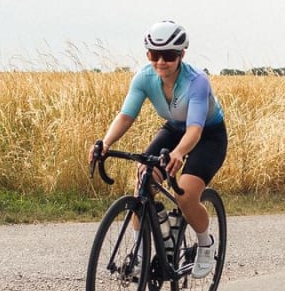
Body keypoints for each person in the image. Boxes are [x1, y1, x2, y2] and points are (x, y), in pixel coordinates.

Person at [91, 21, 227, 277]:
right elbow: (125, 116)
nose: (161, 62)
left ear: (182, 55)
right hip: (175, 128)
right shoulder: (144, 77)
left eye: (169, 55)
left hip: (208, 135)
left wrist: (178, 153)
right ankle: (141, 255)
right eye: (155, 55)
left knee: (186, 194)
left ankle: (205, 244)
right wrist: (106, 143)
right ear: (148, 55)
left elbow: (195, 130)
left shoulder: (196, 81)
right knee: (144, 179)